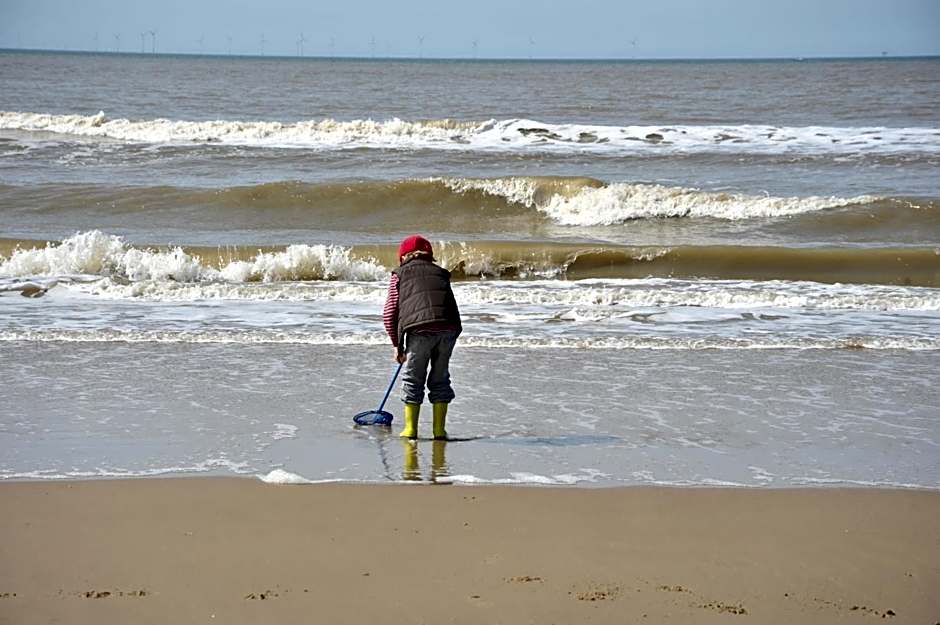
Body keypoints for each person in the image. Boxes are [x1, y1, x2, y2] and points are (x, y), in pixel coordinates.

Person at [383, 235, 462, 440]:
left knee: (413, 378)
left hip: (419, 331)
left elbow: (390, 312)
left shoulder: (399, 274)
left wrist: (396, 345)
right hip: (448, 328)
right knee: (440, 377)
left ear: (402, 257)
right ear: (430, 256)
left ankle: (411, 429)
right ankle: (439, 430)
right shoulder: (441, 273)